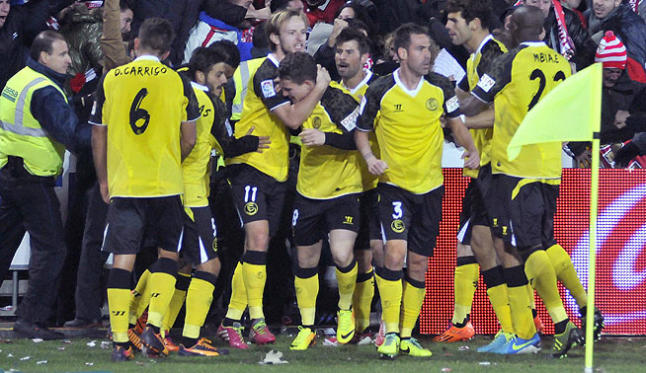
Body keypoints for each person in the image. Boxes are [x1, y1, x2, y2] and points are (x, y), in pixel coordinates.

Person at [460, 5, 584, 357]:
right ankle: (574, 313)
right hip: (550, 167)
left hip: (514, 167)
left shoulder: (508, 61)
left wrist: (450, 108)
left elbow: (472, 105)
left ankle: (554, 326)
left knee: (522, 247)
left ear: (512, 27)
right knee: (540, 241)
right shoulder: (563, 63)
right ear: (544, 31)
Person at [355, 23, 479, 359]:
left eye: (431, 49)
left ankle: (408, 335)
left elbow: (456, 125)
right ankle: (391, 331)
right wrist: (369, 158)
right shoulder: (381, 90)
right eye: (422, 49)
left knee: (420, 263)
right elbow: (362, 131)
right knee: (394, 254)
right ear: (402, 53)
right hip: (394, 187)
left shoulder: (440, 87)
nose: (429, 55)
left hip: (431, 188)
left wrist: (471, 149)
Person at [216, 9, 330, 349]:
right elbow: (293, 118)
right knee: (259, 237)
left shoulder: (292, 73)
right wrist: (320, 88)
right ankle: (256, 319)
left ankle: (233, 320)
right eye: (294, 32)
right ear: (275, 37)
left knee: (259, 245)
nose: (301, 38)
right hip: (250, 165)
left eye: (305, 32)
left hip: (278, 169)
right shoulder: (265, 72)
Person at [90, 17, 199, 361]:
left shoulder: (112, 79)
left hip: (126, 183)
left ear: (135, 43)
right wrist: (170, 159)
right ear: (167, 51)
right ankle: (154, 324)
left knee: (123, 259)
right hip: (166, 183)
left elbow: (98, 132)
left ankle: (121, 341)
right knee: (168, 255)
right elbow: (189, 137)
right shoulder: (178, 82)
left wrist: (105, 179)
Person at [0, 30, 90, 340]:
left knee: (3, 246)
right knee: (52, 250)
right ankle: (32, 320)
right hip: (32, 180)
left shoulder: (20, 78)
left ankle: (30, 319)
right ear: (44, 57)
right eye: (63, 54)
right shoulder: (46, 91)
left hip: (8, 173)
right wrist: (103, 132)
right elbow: (74, 137)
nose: (69, 60)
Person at [436, 0, 512, 346]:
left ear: (475, 22)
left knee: (502, 245)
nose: (449, 27)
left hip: (498, 164)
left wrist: (458, 123)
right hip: (483, 164)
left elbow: (502, 113)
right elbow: (467, 99)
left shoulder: (494, 54)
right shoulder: (475, 58)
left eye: (454, 20)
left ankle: (520, 322)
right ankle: (472, 321)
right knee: (475, 241)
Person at [277, 52, 362, 350]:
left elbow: (360, 139)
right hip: (308, 192)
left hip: (343, 190)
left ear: (308, 83)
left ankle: (345, 311)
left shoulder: (339, 100)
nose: (286, 96)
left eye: (290, 90)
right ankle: (307, 327)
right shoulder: (295, 108)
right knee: (305, 260)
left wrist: (326, 138)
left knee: (341, 255)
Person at [329, 28, 381, 342]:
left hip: (375, 184)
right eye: (338, 52)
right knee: (350, 256)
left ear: (364, 58)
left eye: (349, 52)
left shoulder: (376, 89)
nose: (342, 58)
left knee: (374, 255)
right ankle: (355, 324)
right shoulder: (330, 90)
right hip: (341, 186)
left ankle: (377, 324)